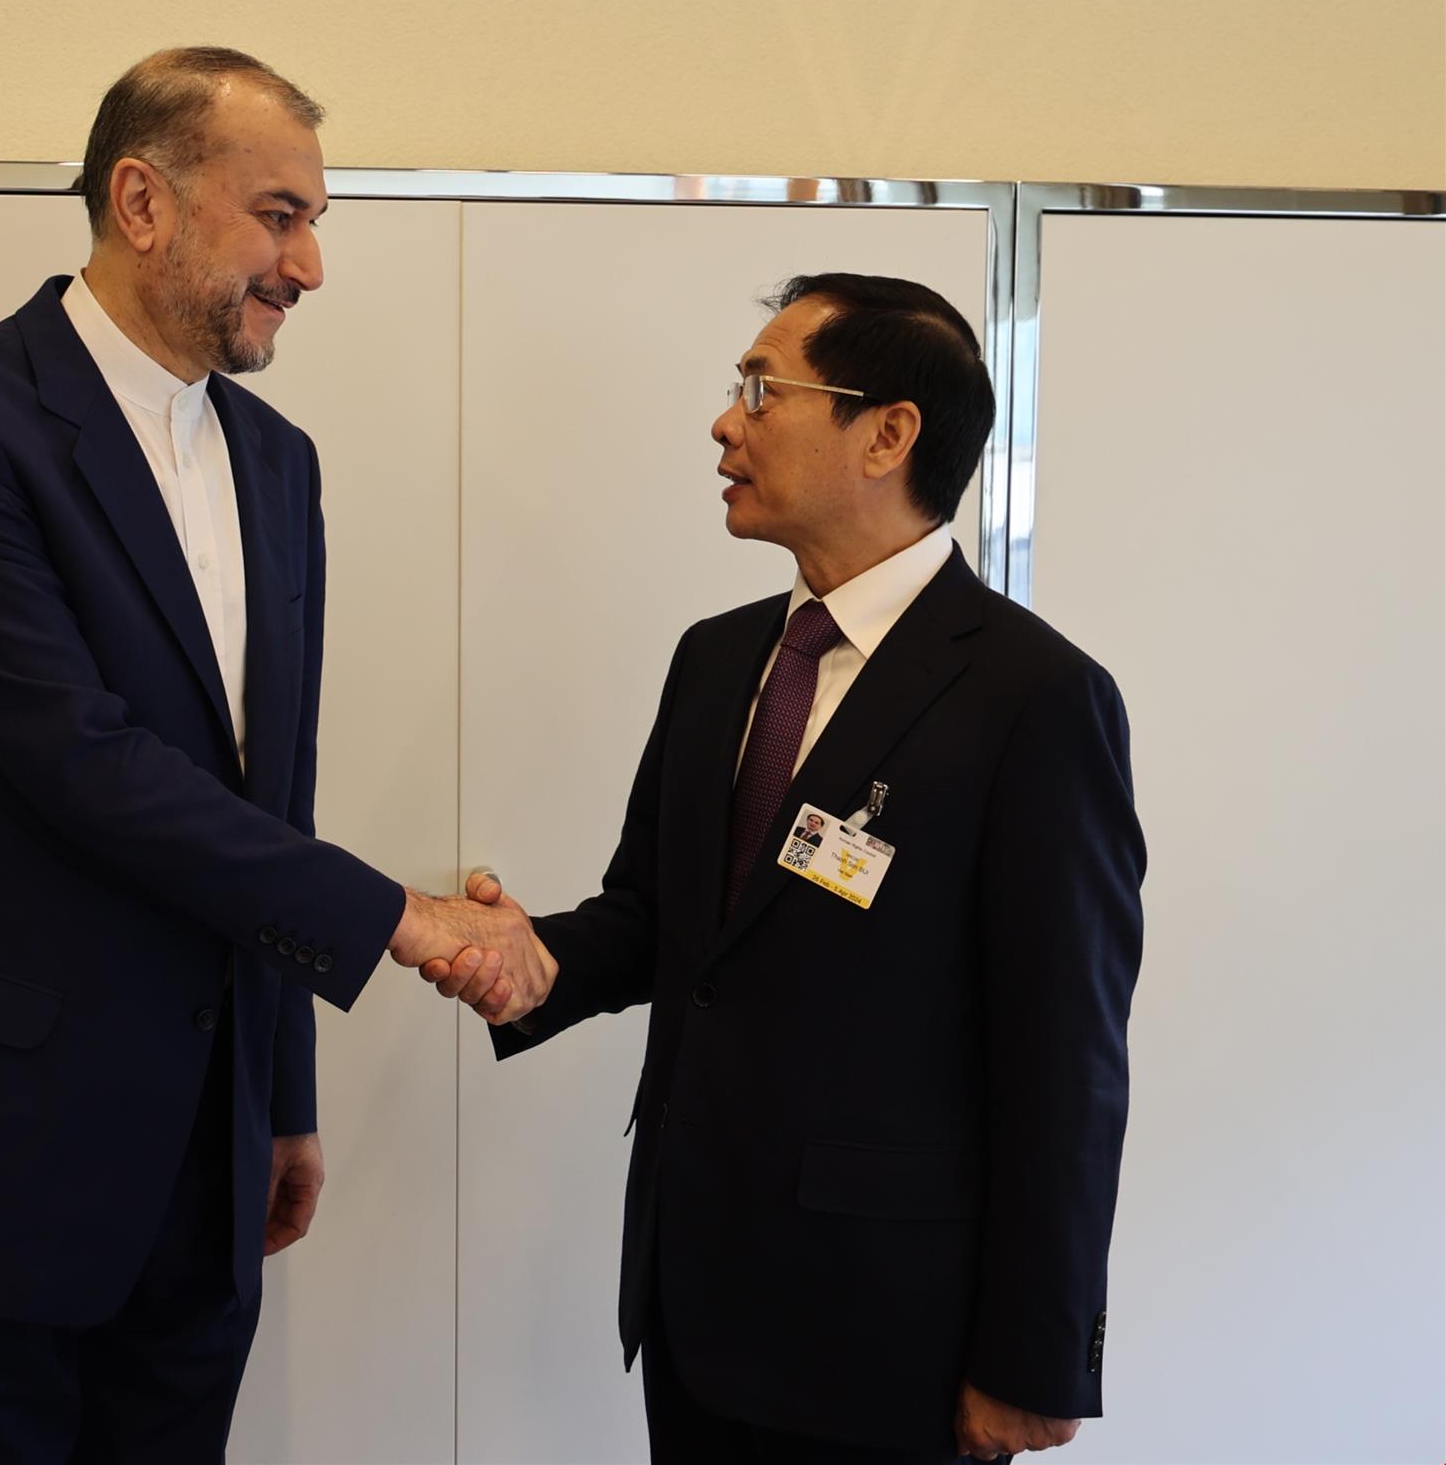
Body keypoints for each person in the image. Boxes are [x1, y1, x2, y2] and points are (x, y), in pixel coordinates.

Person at [0, 47, 551, 1462]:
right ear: (141, 202)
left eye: (314, 222)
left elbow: (274, 789)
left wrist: (279, 1098)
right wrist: (400, 916)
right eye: (279, 216)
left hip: (204, 1164)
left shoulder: (277, 459)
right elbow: (82, 762)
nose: (309, 265)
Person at [424, 274, 1145, 1463]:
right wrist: (530, 956)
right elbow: (661, 919)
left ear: (888, 433)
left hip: (891, 1333)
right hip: (695, 1299)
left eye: (763, 391)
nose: (726, 423)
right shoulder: (717, 661)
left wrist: (1037, 1353)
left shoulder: (1035, 698)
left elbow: (1068, 1059)